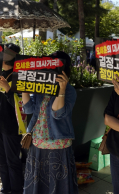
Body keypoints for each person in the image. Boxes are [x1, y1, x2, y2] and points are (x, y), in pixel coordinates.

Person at [22, 51, 78, 194]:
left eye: (57, 66)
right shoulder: (41, 87)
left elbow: (57, 113)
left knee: (58, 185)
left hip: (58, 144)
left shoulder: (70, 90)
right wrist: (24, 86)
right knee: (38, 184)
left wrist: (62, 89)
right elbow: (28, 109)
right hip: (37, 143)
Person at [0, 43, 23, 194]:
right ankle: (5, 188)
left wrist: (8, 89)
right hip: (1, 125)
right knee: (2, 161)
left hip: (12, 126)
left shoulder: (19, 76)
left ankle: (16, 190)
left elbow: (21, 106)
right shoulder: (1, 73)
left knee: (13, 161)